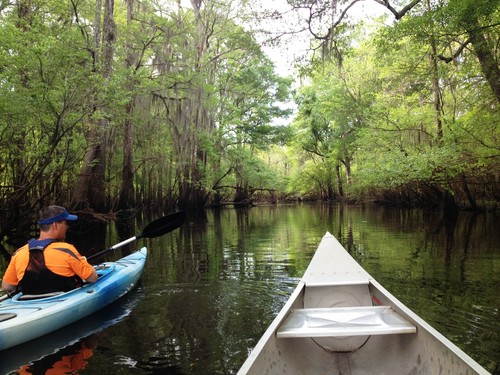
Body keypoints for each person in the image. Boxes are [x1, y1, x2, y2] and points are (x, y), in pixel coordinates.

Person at [1, 205, 98, 295]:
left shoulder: (18, 253)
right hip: (62, 301)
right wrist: (84, 262)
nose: (67, 227)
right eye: (65, 223)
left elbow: (7, 286)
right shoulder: (66, 250)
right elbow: (92, 278)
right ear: (55, 225)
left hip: (30, 304)